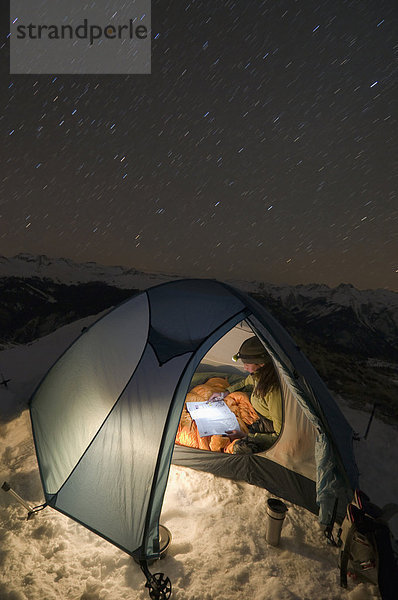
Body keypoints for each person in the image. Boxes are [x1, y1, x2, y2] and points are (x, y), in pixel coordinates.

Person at [209, 336, 283, 454]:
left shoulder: (274, 391)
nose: (244, 367)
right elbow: (245, 382)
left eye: (247, 364)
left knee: (240, 447)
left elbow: (280, 435)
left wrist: (245, 435)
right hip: (260, 417)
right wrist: (225, 392)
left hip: (271, 427)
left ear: (261, 363)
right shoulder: (258, 375)